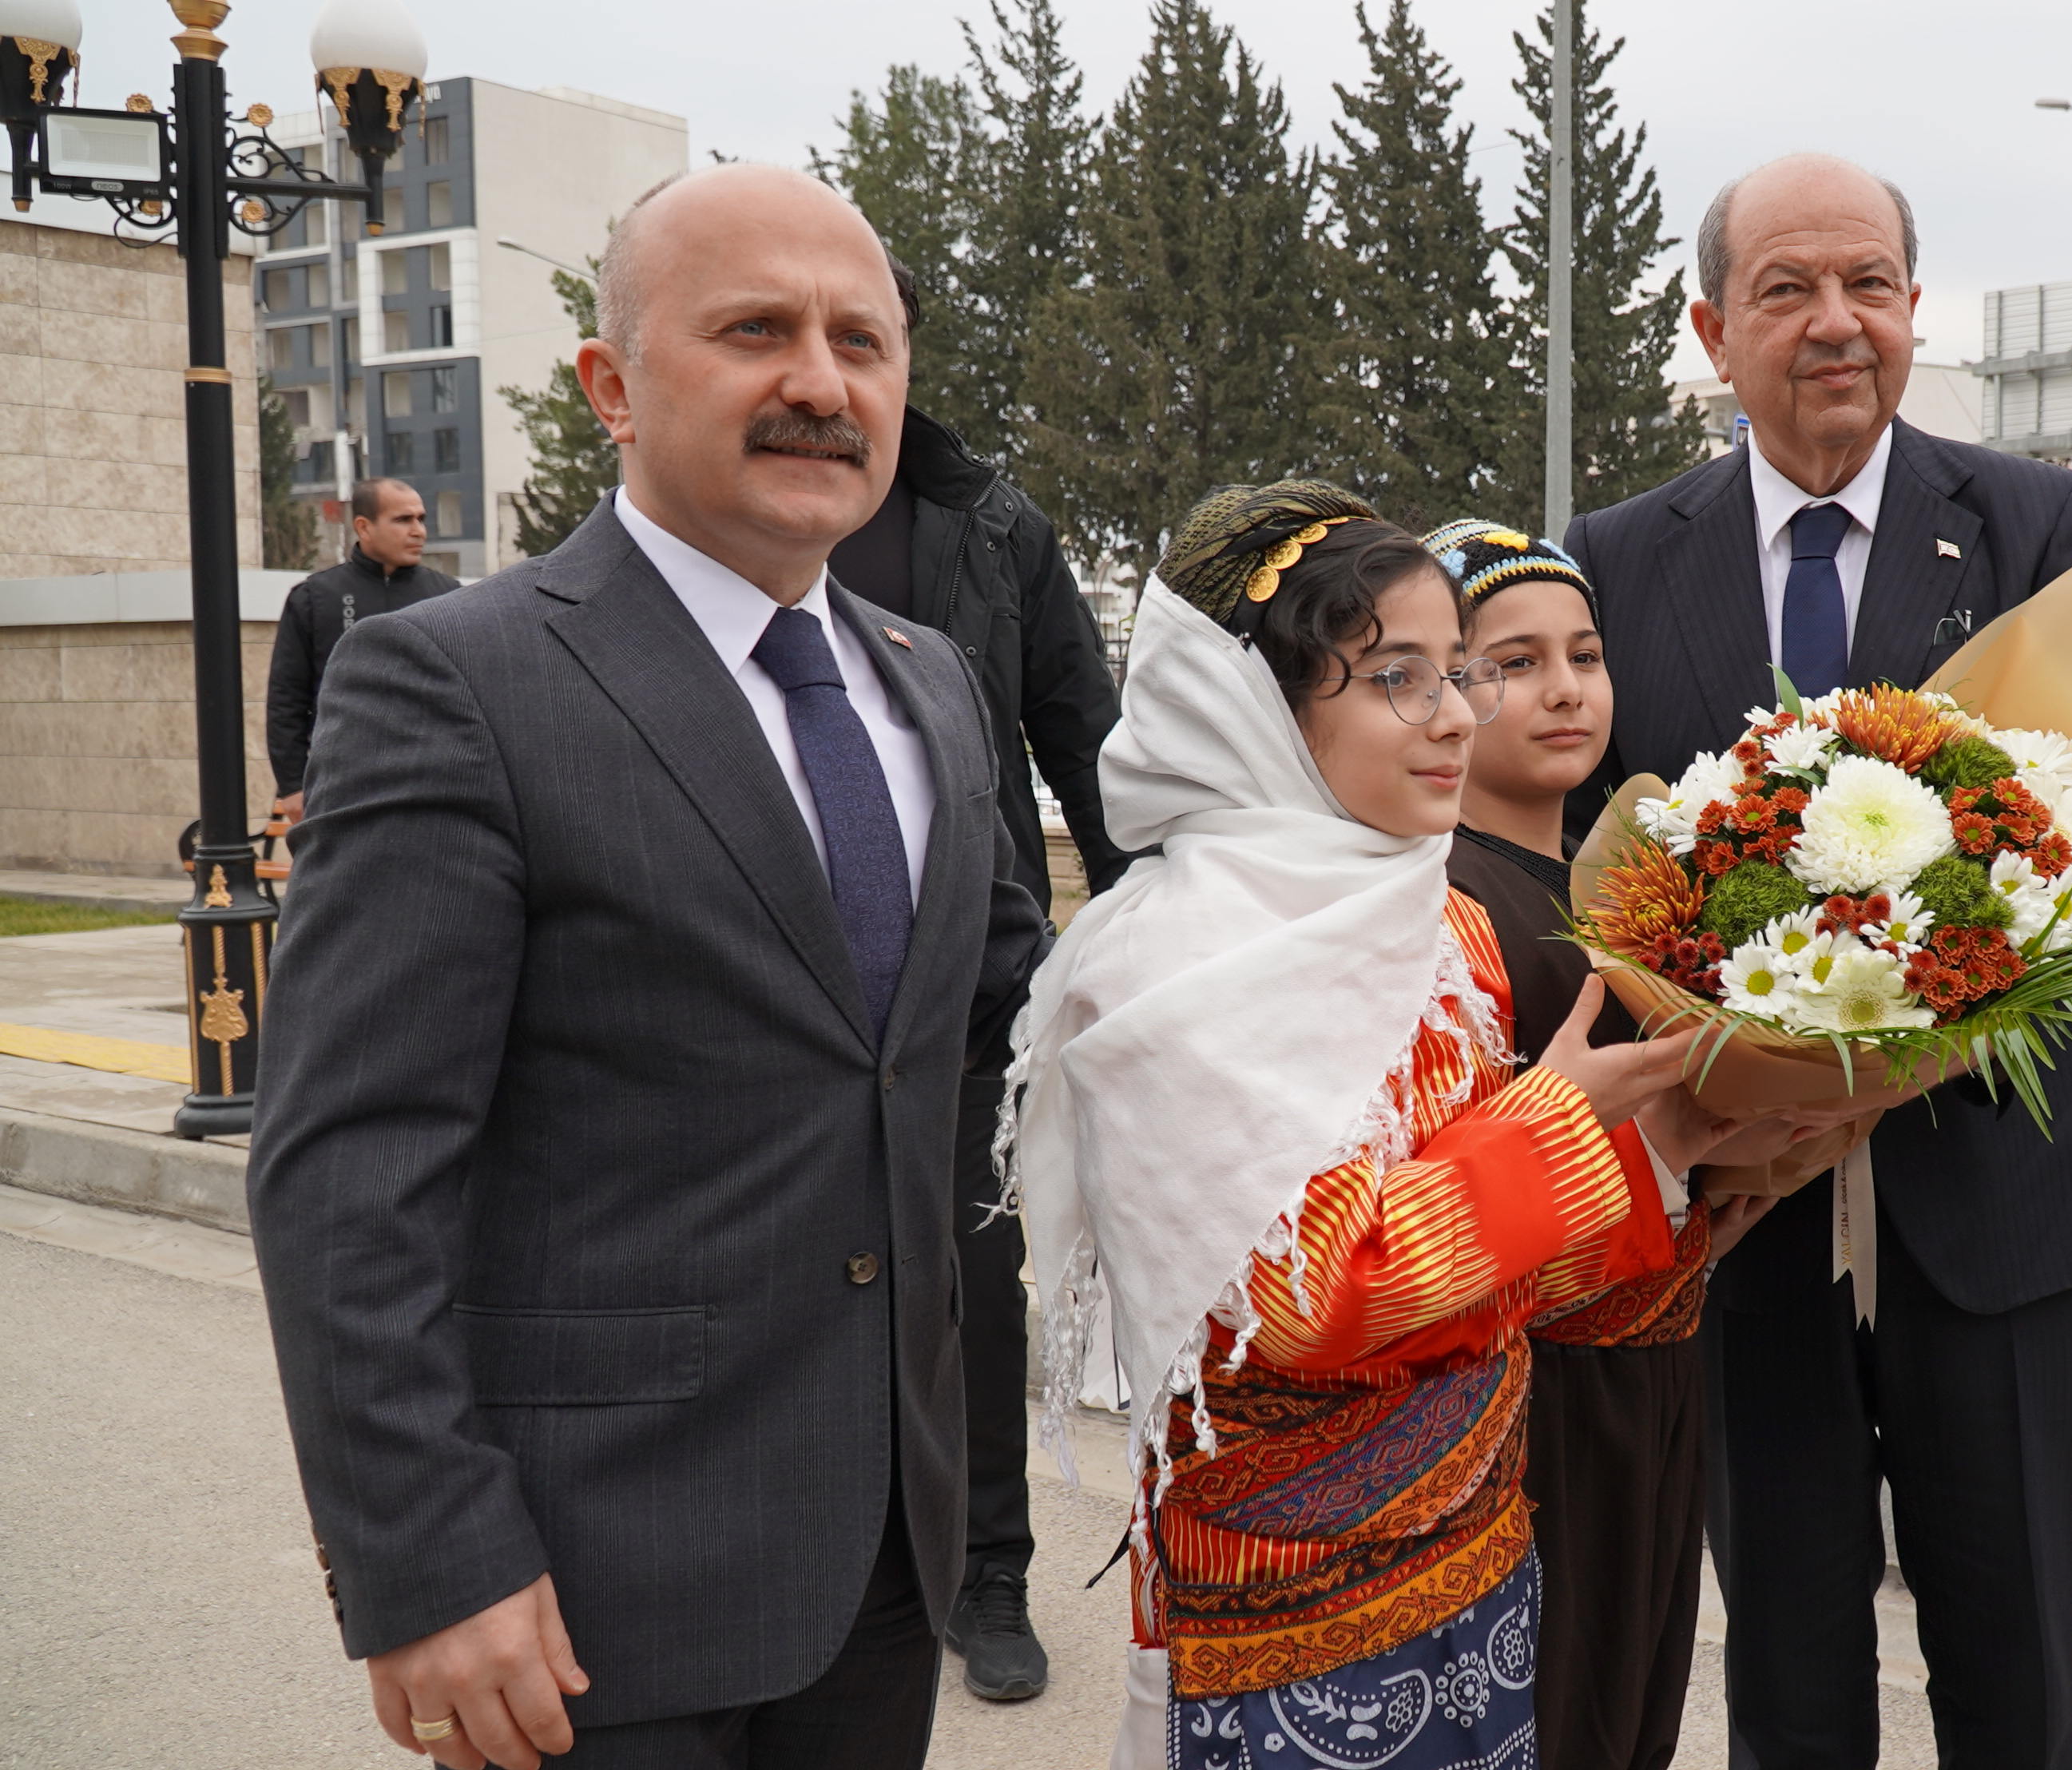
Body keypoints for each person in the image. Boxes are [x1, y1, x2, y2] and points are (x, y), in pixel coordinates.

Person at [244, 163, 1045, 1770]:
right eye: (757, 330)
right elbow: (351, 1161)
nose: (821, 383)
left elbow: (1005, 1026)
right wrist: (427, 1558)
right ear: (612, 386)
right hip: (583, 1596)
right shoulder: (452, 680)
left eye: (862, 343)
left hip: (888, 1561)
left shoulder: (937, 687)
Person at [1564, 153, 2072, 1769]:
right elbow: (1590, 868)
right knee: (1789, 1669)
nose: (1837, 325)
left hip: (2007, 1210)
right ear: (1712, 327)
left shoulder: (2036, 519)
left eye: (1868, 286)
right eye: (1788, 291)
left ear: (1909, 306)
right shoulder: (1614, 555)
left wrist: (1932, 1015)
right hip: (1735, 1232)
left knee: (2016, 1661)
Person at [1009, 482, 1717, 1770]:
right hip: (1287, 1624)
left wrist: (1668, 1160)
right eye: (1398, 678)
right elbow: (1304, 1292)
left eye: (1455, 672)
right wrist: (1564, 1125)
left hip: (1482, 1559)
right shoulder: (1189, 955)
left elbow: (1494, 1275)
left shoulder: (1432, 921)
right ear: (1258, 712)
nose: (1458, 715)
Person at [1423, 519, 1792, 1768]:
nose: (1567, 686)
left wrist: (1709, 1202)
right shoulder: (1448, 908)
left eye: (1584, 651)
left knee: (1637, 1712)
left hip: (1656, 1376)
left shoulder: (1605, 888)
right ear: (1437, 690)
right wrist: (1672, 1164)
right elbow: (1465, 1208)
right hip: (1543, 1413)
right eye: (1513, 662)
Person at [827, 256, 1130, 1706]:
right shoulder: (712, 522)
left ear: (901, 346)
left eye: (858, 328)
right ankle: (821, 1555)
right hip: (775, 992)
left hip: (968, 987)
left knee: (975, 1287)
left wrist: (1145, 940)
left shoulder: (994, 526)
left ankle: (985, 1572)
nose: (822, 366)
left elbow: (1091, 748)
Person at [264, 476, 458, 820]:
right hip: (342, 785)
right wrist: (293, 786)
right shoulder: (314, 597)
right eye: (403, 520)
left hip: (431, 784)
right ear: (364, 527)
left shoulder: (449, 596)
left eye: (421, 519)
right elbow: (286, 699)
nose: (419, 531)